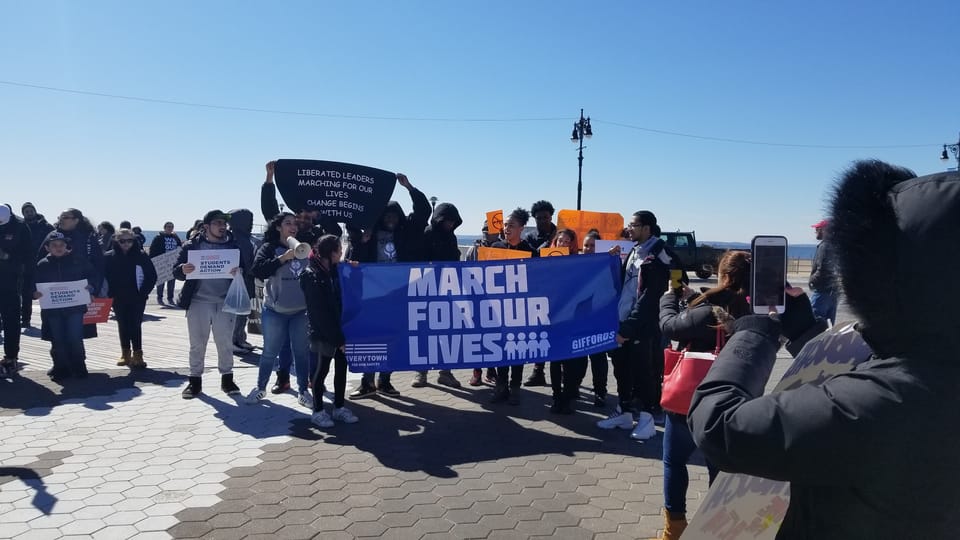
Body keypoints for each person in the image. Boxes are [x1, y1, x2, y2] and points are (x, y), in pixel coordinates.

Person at [690, 161, 960, 538]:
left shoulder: (885, 401)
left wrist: (752, 333)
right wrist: (807, 334)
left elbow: (720, 428)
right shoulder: (934, 366)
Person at [654, 251, 749, 539]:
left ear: (726, 276)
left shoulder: (709, 311)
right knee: (719, 469)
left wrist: (669, 297)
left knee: (674, 461)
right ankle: (715, 529)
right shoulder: (751, 310)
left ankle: (675, 530)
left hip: (689, 398)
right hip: (730, 401)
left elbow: (670, 326)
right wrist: (697, 295)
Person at [346, 172, 430, 399]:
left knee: (391, 337)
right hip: (371, 295)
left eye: (395, 215)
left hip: (397, 295)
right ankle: (366, 383)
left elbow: (424, 211)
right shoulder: (369, 234)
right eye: (387, 215)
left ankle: (385, 381)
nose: (391, 219)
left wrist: (409, 187)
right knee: (368, 338)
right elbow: (351, 224)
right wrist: (363, 240)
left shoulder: (407, 232)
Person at [597, 211, 670, 441]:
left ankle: (647, 418)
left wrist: (629, 327)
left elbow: (650, 297)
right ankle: (624, 412)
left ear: (647, 228)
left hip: (641, 327)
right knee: (622, 368)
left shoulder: (658, 255)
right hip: (622, 320)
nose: (629, 229)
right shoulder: (635, 250)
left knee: (643, 372)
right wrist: (613, 261)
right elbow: (625, 284)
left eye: (633, 225)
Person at [174, 210, 245, 399]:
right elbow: (176, 271)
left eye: (224, 223)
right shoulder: (192, 246)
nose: (223, 226)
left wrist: (239, 271)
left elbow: (245, 267)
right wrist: (183, 269)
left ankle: (227, 380)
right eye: (218, 223)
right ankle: (194, 381)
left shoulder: (233, 244)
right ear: (206, 226)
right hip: (198, 302)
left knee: (225, 343)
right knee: (197, 344)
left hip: (224, 301)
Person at [246, 212, 314, 407]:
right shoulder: (269, 248)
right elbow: (257, 271)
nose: (293, 226)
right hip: (275, 311)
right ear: (278, 227)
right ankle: (260, 388)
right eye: (288, 223)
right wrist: (282, 258)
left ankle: (303, 391)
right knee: (269, 352)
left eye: (295, 224)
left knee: (301, 353)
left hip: (301, 311)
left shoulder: (305, 245)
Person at [301, 234, 359, 427]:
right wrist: (338, 340)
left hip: (341, 330)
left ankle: (339, 407)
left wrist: (354, 270)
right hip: (322, 333)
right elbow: (319, 313)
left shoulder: (336, 271)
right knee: (320, 372)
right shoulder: (311, 274)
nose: (342, 254)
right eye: (339, 251)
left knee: (341, 370)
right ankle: (317, 411)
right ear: (330, 253)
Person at [411, 201, 464, 389]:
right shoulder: (427, 234)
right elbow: (418, 261)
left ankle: (445, 372)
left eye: (452, 221)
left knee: (447, 333)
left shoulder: (452, 237)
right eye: (446, 221)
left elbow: (455, 260)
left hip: (448, 292)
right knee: (424, 333)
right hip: (426, 291)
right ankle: (421, 372)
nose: (449, 224)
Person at [34, 231, 100, 380]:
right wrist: (34, 293)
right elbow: (33, 283)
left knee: (75, 338)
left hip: (75, 309)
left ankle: (79, 366)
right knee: (58, 339)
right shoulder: (42, 264)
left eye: (61, 245)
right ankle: (61, 367)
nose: (58, 248)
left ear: (66, 246)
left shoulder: (78, 261)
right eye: (54, 245)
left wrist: (91, 286)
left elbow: (92, 275)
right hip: (52, 311)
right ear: (47, 248)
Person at [489, 208, 538, 405]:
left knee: (517, 349)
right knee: (501, 348)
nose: (507, 228)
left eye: (511, 225)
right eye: (506, 225)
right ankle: (501, 387)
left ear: (521, 228)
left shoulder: (531, 251)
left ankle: (515, 388)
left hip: (520, 309)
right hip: (498, 308)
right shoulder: (496, 247)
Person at [547, 229, 588, 414]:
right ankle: (556, 397)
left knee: (571, 362)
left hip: (572, 318)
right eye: (559, 240)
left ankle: (568, 396)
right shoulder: (545, 260)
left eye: (566, 241)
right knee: (555, 361)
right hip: (552, 318)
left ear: (572, 244)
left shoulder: (578, 263)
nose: (561, 244)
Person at [104, 228, 157, 369]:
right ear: (116, 240)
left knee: (135, 324)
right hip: (117, 297)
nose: (126, 244)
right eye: (122, 241)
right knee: (122, 324)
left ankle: (138, 354)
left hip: (137, 296)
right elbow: (104, 277)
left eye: (130, 241)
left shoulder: (141, 256)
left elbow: (152, 276)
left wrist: (144, 292)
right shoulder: (109, 257)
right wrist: (108, 294)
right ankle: (125, 353)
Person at [51, 209, 105, 339]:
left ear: (76, 220)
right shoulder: (53, 236)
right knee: (57, 336)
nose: (61, 220)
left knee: (77, 336)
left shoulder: (88, 238)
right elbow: (40, 262)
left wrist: (94, 289)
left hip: (80, 292)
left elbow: (98, 266)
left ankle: (77, 359)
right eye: (60, 217)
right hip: (56, 292)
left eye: (65, 217)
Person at [522, 200, 557, 387]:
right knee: (539, 330)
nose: (542, 220)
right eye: (539, 218)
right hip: (537, 289)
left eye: (546, 217)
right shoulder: (529, 237)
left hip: (557, 290)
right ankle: (538, 370)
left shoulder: (561, 234)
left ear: (551, 216)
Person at [465, 220, 501, 386]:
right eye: (484, 229)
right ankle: (476, 372)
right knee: (477, 338)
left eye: (490, 229)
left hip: (498, 302)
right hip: (477, 301)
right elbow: (465, 273)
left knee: (495, 337)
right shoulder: (474, 249)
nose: (487, 232)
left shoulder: (503, 248)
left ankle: (492, 371)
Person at [0, 205, 33, 375]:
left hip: (10, 281)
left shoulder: (20, 227)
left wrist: (8, 257)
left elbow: (28, 255)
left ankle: (11, 357)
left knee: (11, 319)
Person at [582, 229, 609, 407]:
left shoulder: (606, 265)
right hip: (579, 319)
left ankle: (600, 392)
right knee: (578, 357)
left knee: (598, 357)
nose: (589, 248)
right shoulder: (574, 263)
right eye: (586, 245)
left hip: (599, 318)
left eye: (593, 245)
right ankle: (573, 386)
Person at [227, 209, 259, 353]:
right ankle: (233, 340)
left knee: (244, 312)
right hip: (237, 281)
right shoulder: (232, 238)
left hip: (247, 279)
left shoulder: (246, 237)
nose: (251, 224)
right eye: (248, 220)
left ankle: (240, 338)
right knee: (237, 313)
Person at [20, 202, 53, 330]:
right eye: (26, 211)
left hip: (44, 263)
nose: (29, 213)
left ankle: (48, 322)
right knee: (26, 292)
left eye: (30, 210)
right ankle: (25, 320)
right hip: (26, 264)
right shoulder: (21, 226)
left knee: (45, 292)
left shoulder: (46, 226)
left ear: (35, 211)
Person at [808, 219, 838, 323]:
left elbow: (823, 269)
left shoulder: (824, 246)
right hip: (833, 291)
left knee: (816, 323)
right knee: (829, 325)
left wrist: (812, 281)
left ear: (825, 230)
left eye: (818, 229)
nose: (815, 231)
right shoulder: (835, 245)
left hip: (822, 291)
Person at [149, 221, 183, 305]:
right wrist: (153, 261)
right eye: (168, 226)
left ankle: (170, 298)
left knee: (171, 281)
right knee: (161, 281)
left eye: (171, 226)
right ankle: (159, 298)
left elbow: (180, 248)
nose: (170, 228)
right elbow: (153, 249)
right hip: (162, 262)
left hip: (173, 263)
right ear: (164, 228)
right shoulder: (158, 237)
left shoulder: (175, 237)